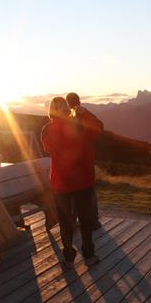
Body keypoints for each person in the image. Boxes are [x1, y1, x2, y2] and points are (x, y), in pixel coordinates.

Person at [41, 96, 100, 269]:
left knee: (65, 222)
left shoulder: (46, 130)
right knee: (85, 219)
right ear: (67, 109)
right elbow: (97, 129)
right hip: (82, 181)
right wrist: (84, 112)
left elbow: (47, 148)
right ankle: (88, 255)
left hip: (60, 183)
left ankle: (68, 258)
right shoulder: (79, 125)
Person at [66, 92, 104, 230]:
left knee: (75, 193)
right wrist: (85, 114)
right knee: (87, 192)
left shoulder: (69, 116)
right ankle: (90, 220)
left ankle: (77, 220)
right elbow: (98, 128)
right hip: (82, 161)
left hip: (73, 163)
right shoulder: (79, 116)